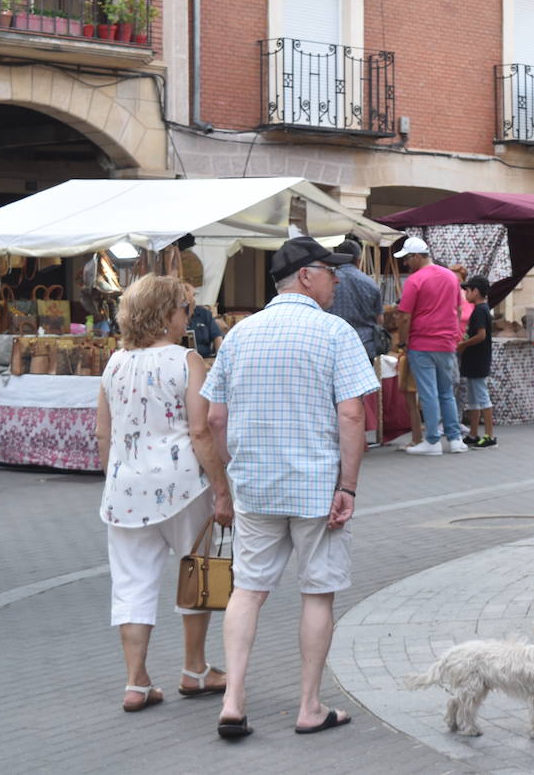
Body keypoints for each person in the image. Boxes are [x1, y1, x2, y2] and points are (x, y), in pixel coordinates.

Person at [201, 236, 378, 739]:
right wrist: (348, 485)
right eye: (329, 270)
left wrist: (238, 468)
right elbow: (351, 413)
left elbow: (215, 417)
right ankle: (308, 705)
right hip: (318, 487)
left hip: (256, 484)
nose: (337, 279)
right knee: (318, 593)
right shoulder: (334, 332)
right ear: (306, 275)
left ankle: (233, 700)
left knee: (248, 589)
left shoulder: (239, 334)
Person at [96, 275, 233, 713]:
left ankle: (136, 681)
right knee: (198, 571)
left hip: (125, 488)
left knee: (131, 581)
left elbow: (103, 432)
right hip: (182, 484)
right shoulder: (187, 360)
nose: (186, 316)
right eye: (182, 308)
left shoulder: (113, 363)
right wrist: (222, 488)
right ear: (166, 313)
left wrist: (116, 476)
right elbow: (200, 429)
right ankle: (195, 669)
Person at [393, 236, 467, 456]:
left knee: (429, 393)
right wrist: (455, 336)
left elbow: (404, 316)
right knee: (446, 393)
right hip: (446, 343)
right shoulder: (451, 278)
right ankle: (455, 440)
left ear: (416, 256)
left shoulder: (415, 281)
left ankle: (433, 440)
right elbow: (459, 310)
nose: (405, 263)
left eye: (407, 258)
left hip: (422, 342)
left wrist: (403, 342)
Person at [326, 238, 385, 361]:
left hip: (333, 347)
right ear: (358, 260)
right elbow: (380, 319)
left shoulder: (326, 282)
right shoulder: (371, 284)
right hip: (365, 346)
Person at [457, 276, 496, 448]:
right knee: (473, 399)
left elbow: (481, 335)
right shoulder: (480, 309)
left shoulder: (480, 310)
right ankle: (473, 433)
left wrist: (463, 344)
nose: (465, 293)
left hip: (478, 360)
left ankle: (489, 435)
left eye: (468, 290)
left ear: (476, 291)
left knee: (482, 397)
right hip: (474, 361)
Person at [183, 282, 223, 358]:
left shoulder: (204, 313)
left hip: (205, 357)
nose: (194, 300)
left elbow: (217, 336)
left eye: (194, 295)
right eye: (192, 296)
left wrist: (219, 358)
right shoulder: (175, 315)